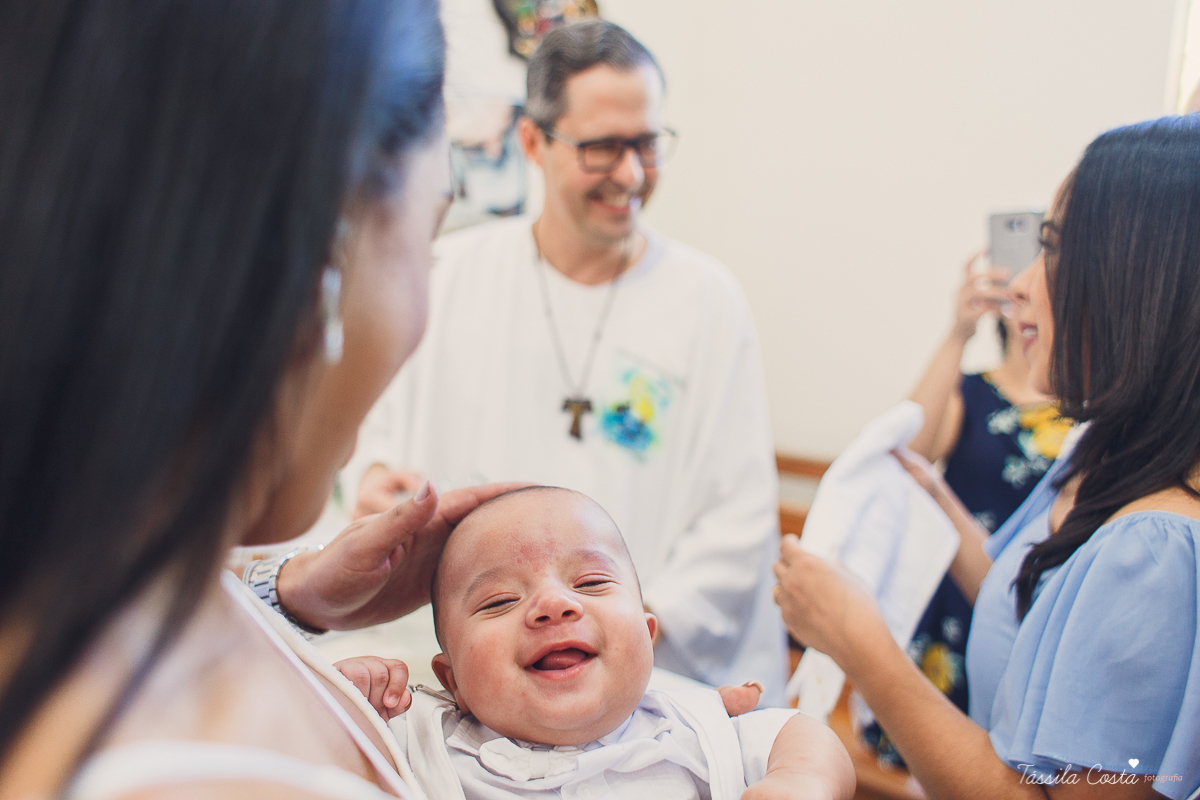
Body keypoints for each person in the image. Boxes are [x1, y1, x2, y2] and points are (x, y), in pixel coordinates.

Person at [0, 3, 508, 797]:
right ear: (323, 261)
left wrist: (289, 590)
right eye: (429, 237)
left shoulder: (86, 568)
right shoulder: (211, 775)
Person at [345, 20, 786, 700]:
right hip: (469, 680)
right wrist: (374, 479)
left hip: (647, 685)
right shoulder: (449, 275)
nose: (631, 174)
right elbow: (373, 430)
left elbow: (739, 516)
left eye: (647, 144)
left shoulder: (706, 301)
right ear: (533, 142)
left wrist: (620, 637)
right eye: (603, 148)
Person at [773, 115, 1200, 800]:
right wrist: (934, 498)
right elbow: (1026, 592)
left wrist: (860, 642)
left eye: (1054, 251)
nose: (1021, 284)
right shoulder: (1099, 448)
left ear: (1143, 283)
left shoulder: (1153, 551)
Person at [341, 486, 854, 800]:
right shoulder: (422, 739)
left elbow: (798, 732)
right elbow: (312, 750)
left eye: (589, 582)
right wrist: (347, 701)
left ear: (647, 640)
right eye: (500, 601)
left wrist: (800, 781)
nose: (553, 604)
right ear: (452, 680)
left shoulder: (690, 730)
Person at [862, 259, 1071, 762]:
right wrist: (959, 332)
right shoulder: (971, 392)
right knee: (935, 755)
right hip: (953, 601)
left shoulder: (1083, 416)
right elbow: (907, 454)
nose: (1023, 291)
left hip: (1030, 605)